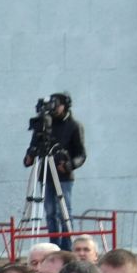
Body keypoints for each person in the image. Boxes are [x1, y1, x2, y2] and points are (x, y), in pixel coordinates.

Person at [24, 92, 85, 239]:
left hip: (63, 176)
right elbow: (34, 145)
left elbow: (81, 154)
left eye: (57, 105)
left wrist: (69, 166)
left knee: (64, 212)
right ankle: (54, 244)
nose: (54, 108)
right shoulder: (45, 125)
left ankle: (67, 246)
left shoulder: (74, 126)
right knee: (50, 212)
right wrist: (29, 156)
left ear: (65, 106)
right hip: (46, 174)